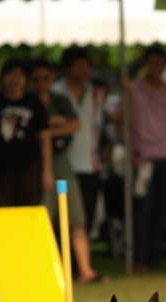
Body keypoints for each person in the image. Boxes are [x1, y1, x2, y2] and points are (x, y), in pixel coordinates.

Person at [30, 59, 106, 283]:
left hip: (62, 163)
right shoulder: (29, 102)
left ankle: (85, 270)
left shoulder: (59, 100)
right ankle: (44, 271)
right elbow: (39, 135)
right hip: (35, 165)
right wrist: (53, 126)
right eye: (36, 79)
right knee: (43, 220)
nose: (41, 83)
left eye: (46, 78)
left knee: (77, 218)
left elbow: (75, 124)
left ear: (52, 78)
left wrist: (51, 129)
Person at [122, 43, 166, 271]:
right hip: (142, 156)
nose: (155, 67)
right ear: (146, 64)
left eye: (160, 63)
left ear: (165, 65)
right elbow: (122, 120)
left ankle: (155, 257)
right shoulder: (133, 90)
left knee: (161, 209)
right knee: (141, 209)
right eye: (151, 63)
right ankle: (139, 257)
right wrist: (129, 150)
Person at [53, 45, 107, 234]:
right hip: (63, 162)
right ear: (67, 68)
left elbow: (98, 125)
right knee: (64, 217)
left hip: (90, 163)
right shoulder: (55, 92)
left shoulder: (97, 93)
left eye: (87, 66)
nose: (84, 71)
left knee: (87, 216)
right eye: (79, 66)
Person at [0, 58, 54, 207]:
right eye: (10, 74)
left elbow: (45, 138)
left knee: (29, 209)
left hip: (28, 167)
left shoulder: (34, 103)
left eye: (20, 75)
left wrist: (47, 172)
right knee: (2, 211)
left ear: (26, 79)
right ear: (3, 77)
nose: (15, 79)